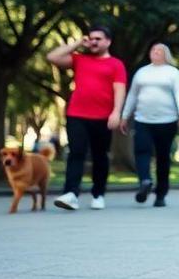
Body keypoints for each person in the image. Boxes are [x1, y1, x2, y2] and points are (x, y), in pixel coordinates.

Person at [45, 25, 126, 211]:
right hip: (77, 114)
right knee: (76, 153)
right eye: (91, 38)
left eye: (98, 39)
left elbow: (119, 89)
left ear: (108, 41)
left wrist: (116, 112)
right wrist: (77, 43)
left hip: (103, 117)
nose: (94, 42)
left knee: (100, 156)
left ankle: (98, 194)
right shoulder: (79, 59)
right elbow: (52, 57)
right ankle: (71, 194)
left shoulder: (116, 64)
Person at [120, 42, 179, 207]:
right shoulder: (142, 72)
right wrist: (124, 116)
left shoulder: (173, 73)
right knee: (141, 151)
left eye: (160, 50)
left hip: (167, 121)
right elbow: (132, 95)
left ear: (166, 54)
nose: (156, 52)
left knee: (162, 157)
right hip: (142, 120)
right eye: (153, 50)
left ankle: (161, 194)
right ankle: (145, 180)